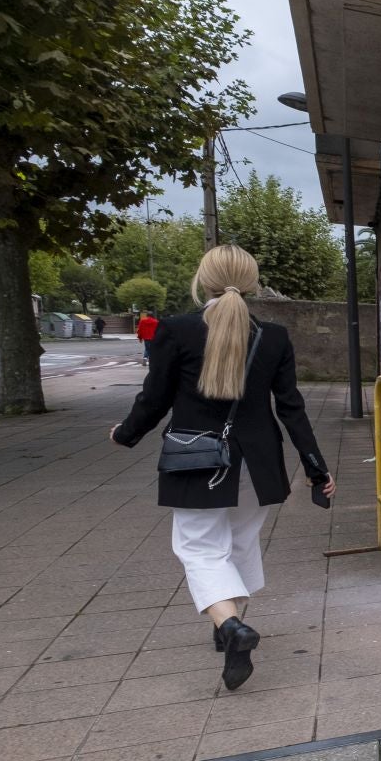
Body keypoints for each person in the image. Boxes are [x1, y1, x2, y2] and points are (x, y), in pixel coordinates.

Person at [110, 246, 334, 690]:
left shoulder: (175, 330)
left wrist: (125, 433)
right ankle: (225, 625)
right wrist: (316, 467)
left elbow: (153, 400)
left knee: (198, 548)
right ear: (251, 283)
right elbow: (291, 409)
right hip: (259, 459)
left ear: (203, 279)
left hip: (198, 458)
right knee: (238, 541)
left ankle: (232, 628)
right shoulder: (273, 336)